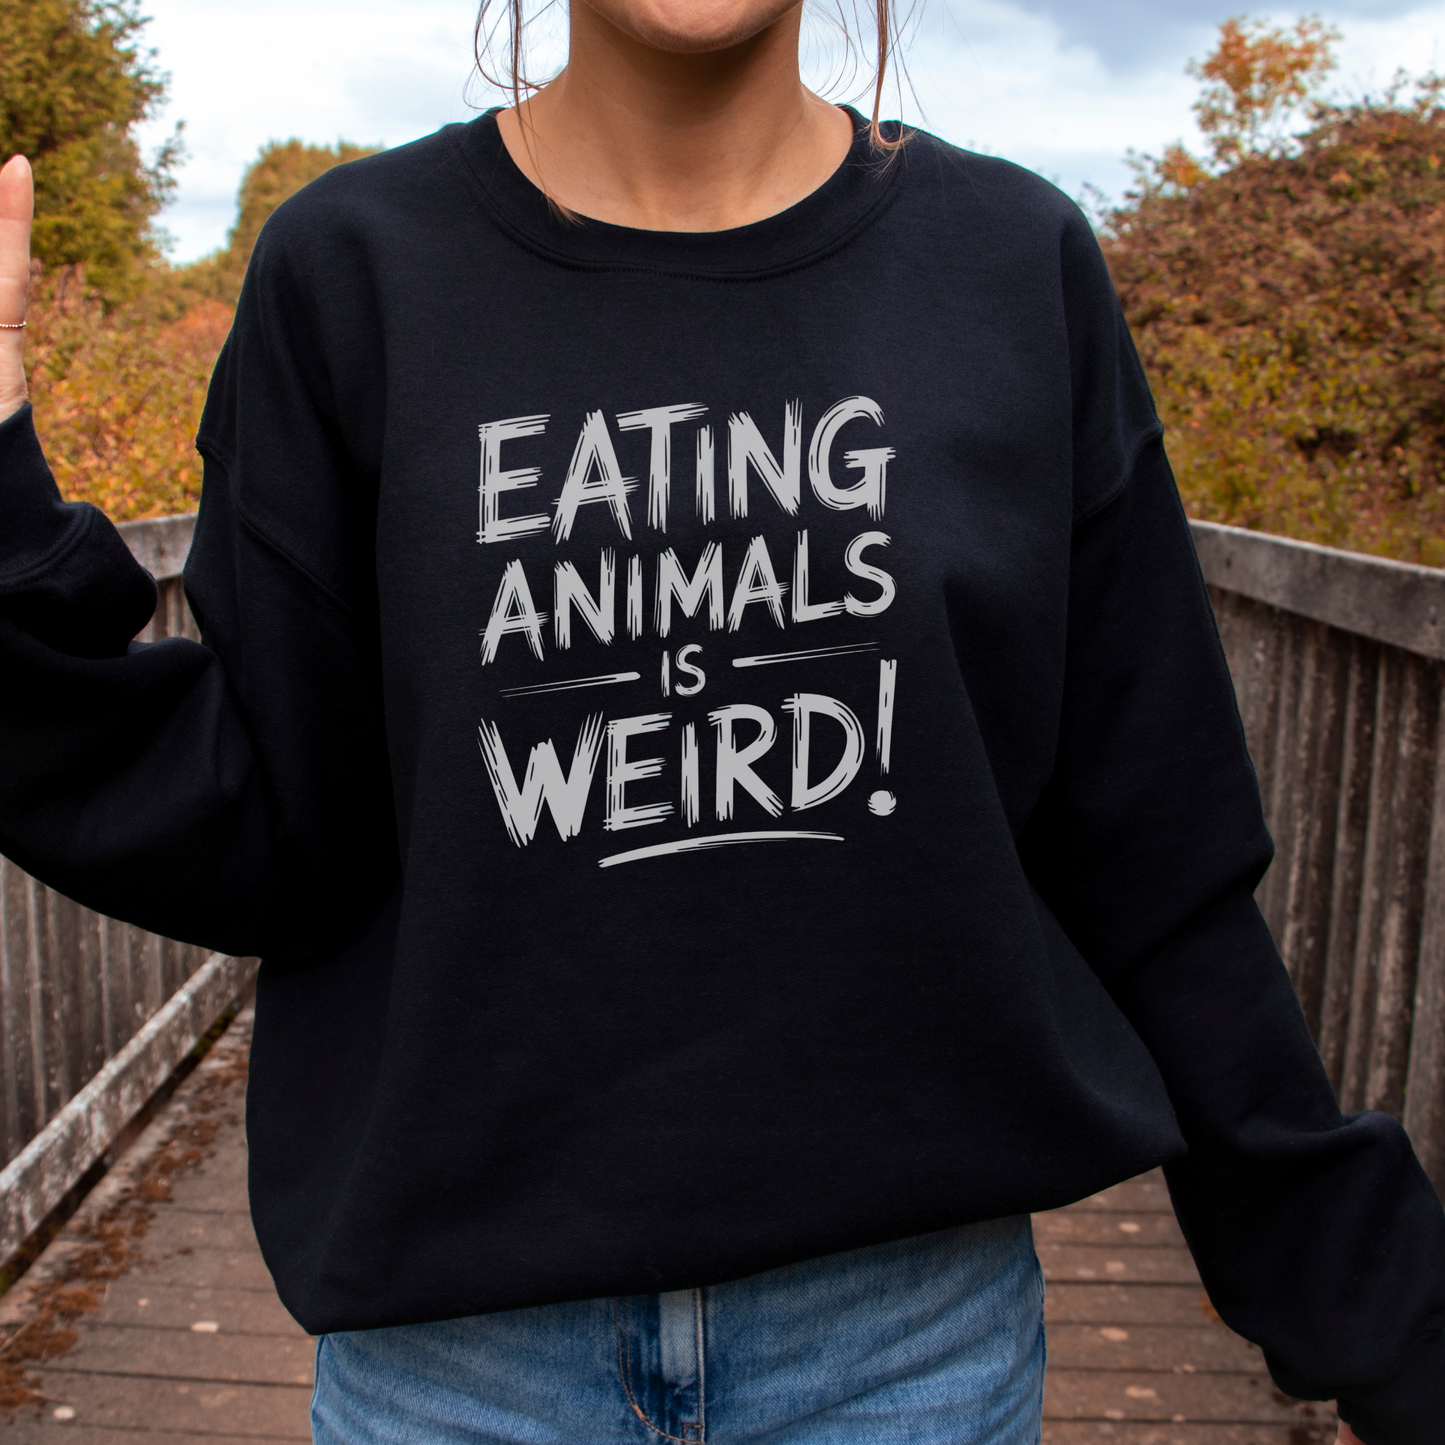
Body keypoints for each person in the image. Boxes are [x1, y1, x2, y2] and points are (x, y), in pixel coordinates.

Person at [0, 0, 1440, 1436]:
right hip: (462, 1371)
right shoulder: (350, 272)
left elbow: (1158, 853)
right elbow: (270, 825)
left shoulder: (1010, 265)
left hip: (906, 1355)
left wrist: (1379, 1319)